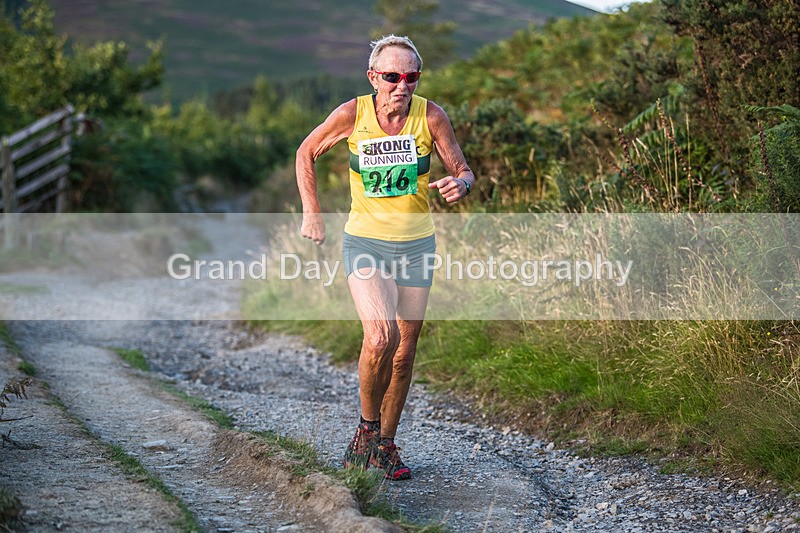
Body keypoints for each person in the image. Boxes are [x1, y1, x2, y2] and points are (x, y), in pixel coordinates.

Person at [295, 35, 475, 480]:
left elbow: (464, 169)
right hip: (366, 243)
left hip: (417, 245)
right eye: (392, 76)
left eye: (411, 76)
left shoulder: (431, 116)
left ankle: (386, 445)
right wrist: (313, 213)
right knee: (380, 338)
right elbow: (306, 151)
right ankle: (365, 428)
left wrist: (462, 184)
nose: (402, 85)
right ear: (373, 77)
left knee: (404, 352)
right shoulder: (351, 114)